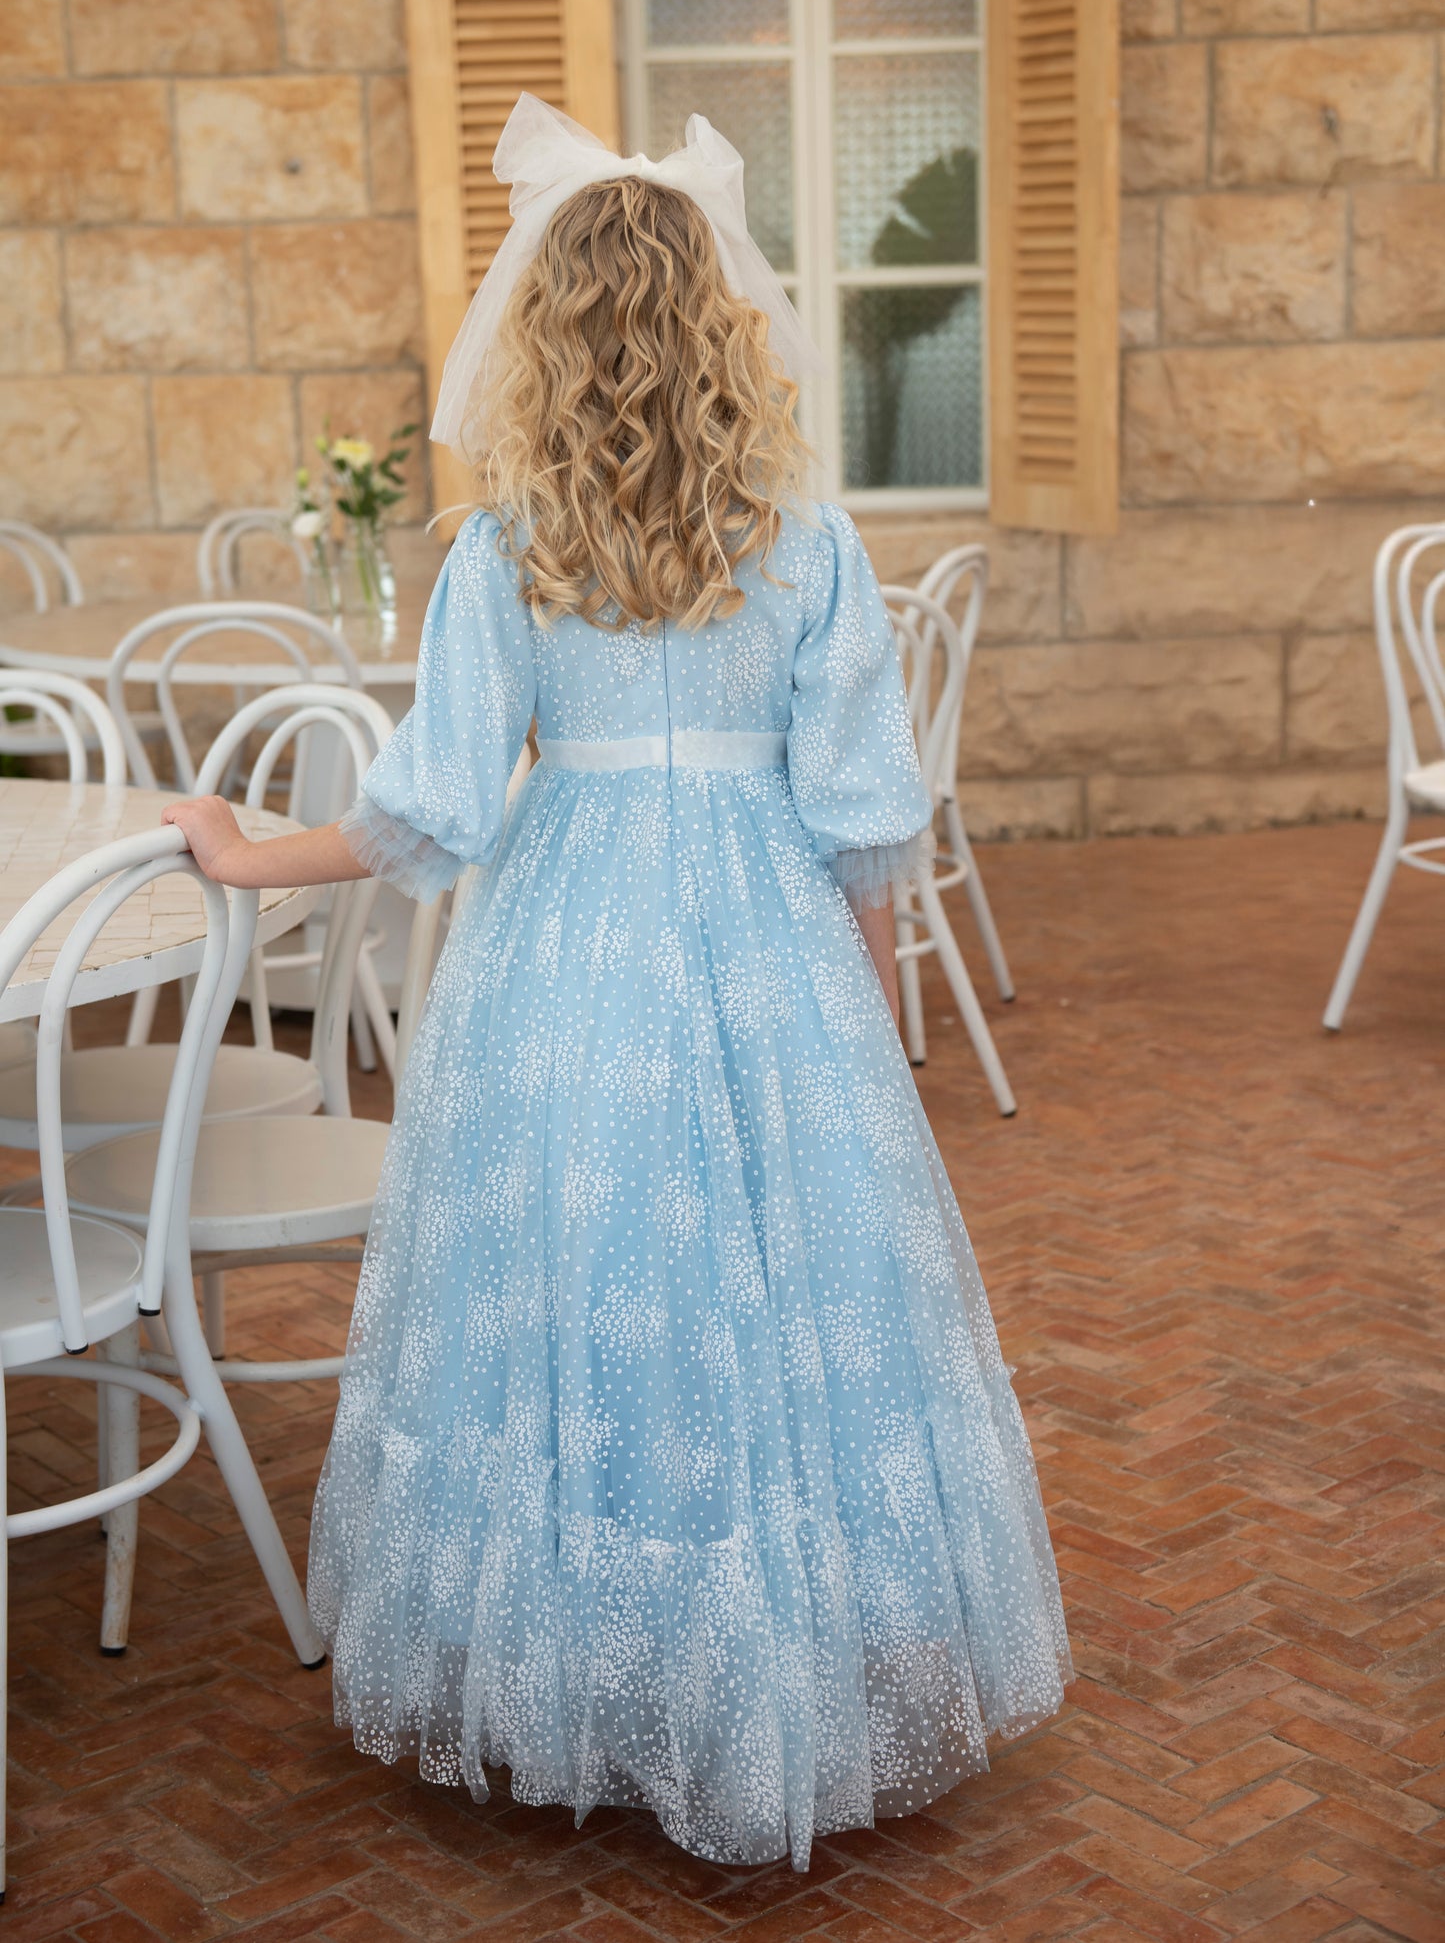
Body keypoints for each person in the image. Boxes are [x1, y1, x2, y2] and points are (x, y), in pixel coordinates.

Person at [163, 95, 1070, 1873]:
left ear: (545, 329)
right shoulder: (808, 542)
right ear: (724, 318)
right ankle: (769, 1670)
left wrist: (242, 847)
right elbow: (862, 822)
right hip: (763, 946)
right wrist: (870, 1040)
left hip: (563, 949)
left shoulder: (507, 548)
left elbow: (427, 808)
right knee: (764, 1307)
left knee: (579, 1298)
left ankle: (590, 1673)